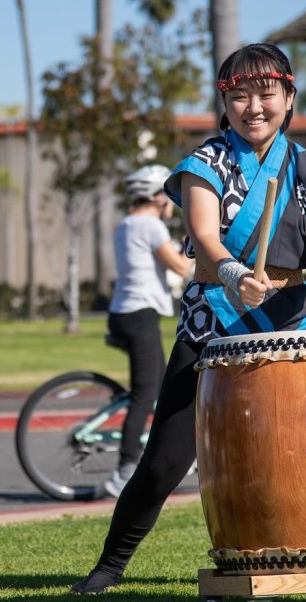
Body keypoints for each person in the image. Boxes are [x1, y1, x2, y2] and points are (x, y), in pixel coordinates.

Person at [70, 42, 306, 595]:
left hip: (290, 322)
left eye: (266, 94)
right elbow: (203, 239)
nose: (254, 107)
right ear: (224, 103)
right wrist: (232, 277)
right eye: (239, 95)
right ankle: (109, 567)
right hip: (215, 321)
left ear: (289, 96)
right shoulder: (204, 163)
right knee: (162, 464)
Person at [104, 164, 194, 498]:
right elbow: (182, 266)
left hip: (122, 313)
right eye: (169, 195)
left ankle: (143, 449)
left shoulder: (126, 224)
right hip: (140, 314)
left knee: (151, 385)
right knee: (146, 394)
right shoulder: (151, 225)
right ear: (157, 197)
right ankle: (125, 469)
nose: (172, 202)